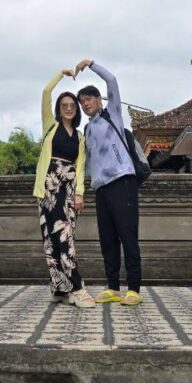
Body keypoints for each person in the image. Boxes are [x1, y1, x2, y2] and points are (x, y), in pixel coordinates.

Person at [75, 59, 142, 306]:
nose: (85, 105)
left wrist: (91, 64)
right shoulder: (88, 129)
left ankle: (133, 288)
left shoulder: (112, 114)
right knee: (108, 239)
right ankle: (113, 287)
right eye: (82, 103)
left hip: (122, 182)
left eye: (89, 100)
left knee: (128, 236)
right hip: (101, 189)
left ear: (99, 100)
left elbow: (112, 81)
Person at [33, 69, 95, 309]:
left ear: (76, 110)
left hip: (69, 189)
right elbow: (46, 92)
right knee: (55, 237)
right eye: (64, 104)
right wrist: (61, 74)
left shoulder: (79, 138)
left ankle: (60, 289)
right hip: (49, 187)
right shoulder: (50, 126)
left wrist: (79, 193)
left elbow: (80, 167)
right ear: (59, 108)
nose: (69, 108)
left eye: (72, 105)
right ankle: (76, 288)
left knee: (65, 235)